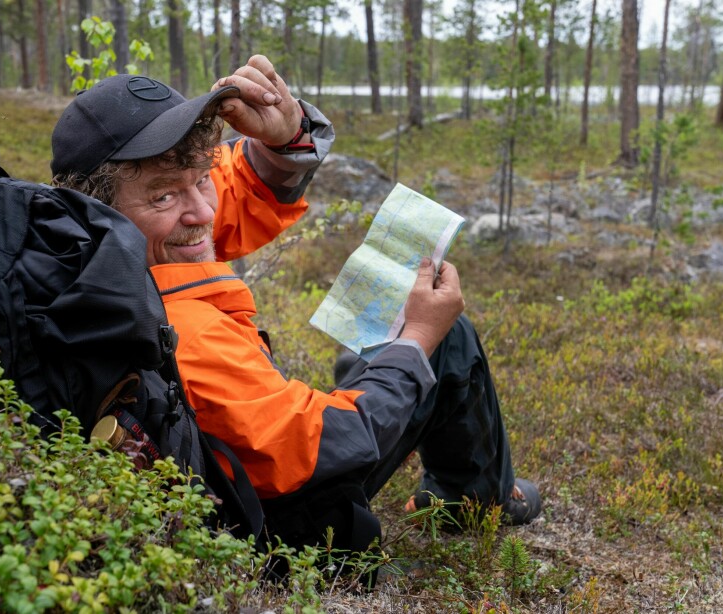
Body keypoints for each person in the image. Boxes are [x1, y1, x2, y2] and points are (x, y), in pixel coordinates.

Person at [50, 55, 540, 556]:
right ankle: (472, 501)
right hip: (289, 526)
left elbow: (236, 188)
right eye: (163, 198)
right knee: (438, 341)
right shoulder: (187, 337)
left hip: (250, 459)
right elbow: (335, 445)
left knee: (373, 354)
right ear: (99, 211)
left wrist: (286, 139)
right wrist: (416, 340)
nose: (202, 211)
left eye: (199, 179)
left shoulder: (96, 246)